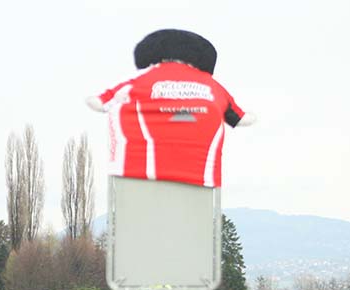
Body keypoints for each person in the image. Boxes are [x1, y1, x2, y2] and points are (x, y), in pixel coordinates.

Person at [86, 29, 254, 187]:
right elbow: (239, 117)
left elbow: (103, 101)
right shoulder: (212, 85)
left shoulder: (142, 78)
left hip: (135, 174)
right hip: (202, 178)